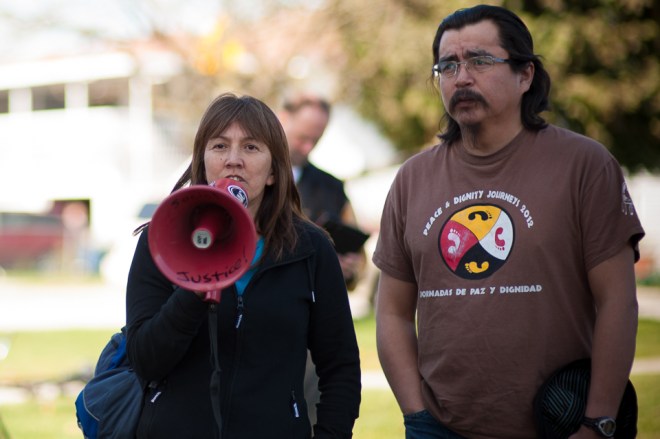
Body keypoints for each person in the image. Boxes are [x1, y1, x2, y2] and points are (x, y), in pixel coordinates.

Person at [373, 5, 645, 439]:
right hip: (440, 429)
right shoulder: (412, 178)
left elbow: (618, 302)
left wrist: (598, 422)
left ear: (526, 76)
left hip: (560, 424)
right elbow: (391, 312)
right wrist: (417, 416)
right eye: (448, 65)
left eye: (480, 60)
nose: (461, 77)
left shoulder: (584, 165)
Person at [126, 92, 361, 439]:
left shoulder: (310, 249)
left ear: (272, 172)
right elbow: (146, 361)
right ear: (202, 162)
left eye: (251, 147)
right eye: (220, 146)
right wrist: (196, 282)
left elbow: (340, 366)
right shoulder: (160, 242)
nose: (234, 160)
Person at [278, 93, 368, 427]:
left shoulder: (332, 189)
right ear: (281, 118)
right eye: (302, 136)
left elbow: (357, 265)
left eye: (315, 139)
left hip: (315, 336)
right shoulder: (255, 180)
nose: (307, 147)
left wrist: (348, 268)